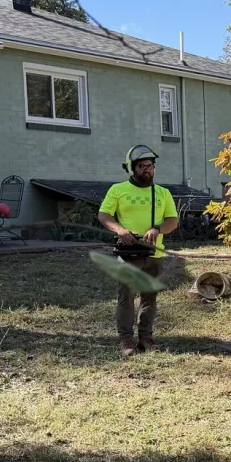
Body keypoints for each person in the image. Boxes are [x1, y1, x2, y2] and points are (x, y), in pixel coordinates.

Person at [98, 145, 179, 358]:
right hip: (128, 254)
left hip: (154, 254)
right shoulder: (118, 190)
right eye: (142, 166)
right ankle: (126, 338)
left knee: (149, 297)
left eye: (150, 166)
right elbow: (104, 215)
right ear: (131, 168)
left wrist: (158, 229)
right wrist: (120, 230)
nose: (147, 170)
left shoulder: (163, 193)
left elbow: (172, 220)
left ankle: (146, 337)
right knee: (126, 297)